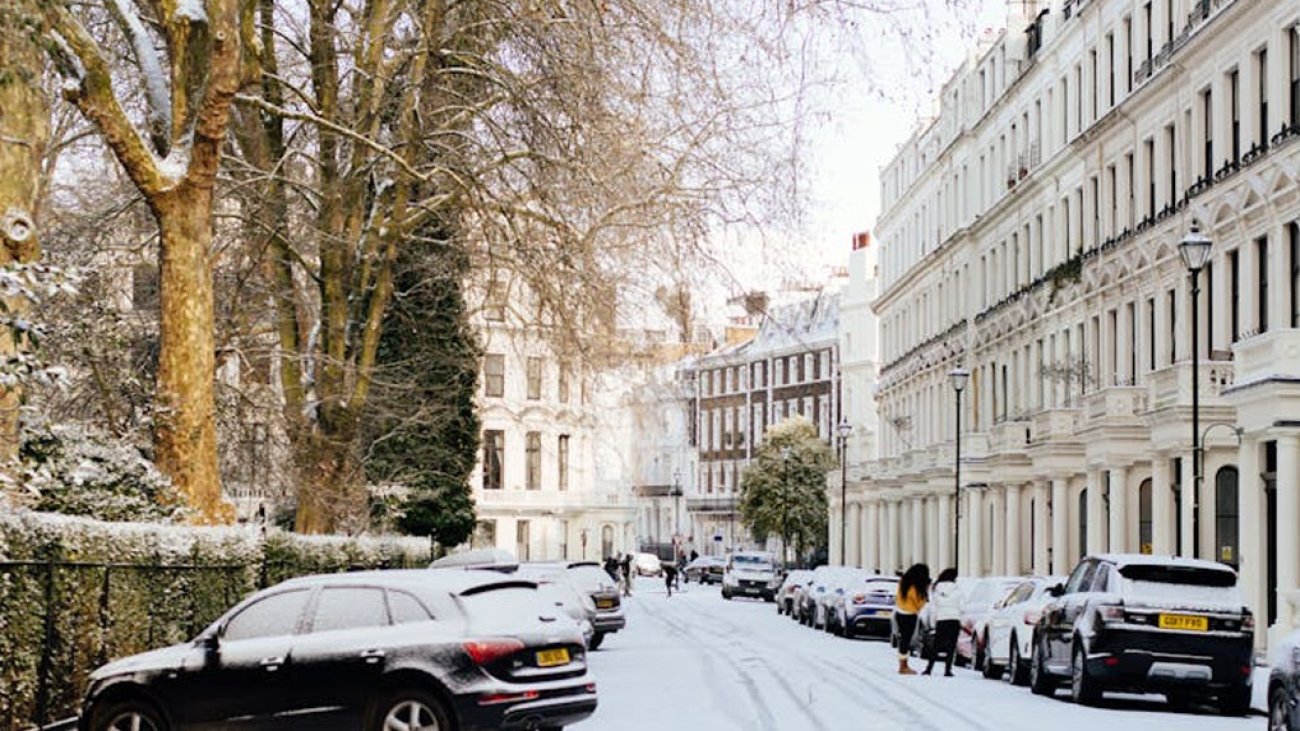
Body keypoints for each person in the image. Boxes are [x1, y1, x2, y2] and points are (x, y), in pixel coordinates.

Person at [893, 563, 931, 675]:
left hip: (899, 613)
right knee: (906, 640)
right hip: (910, 615)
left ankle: (903, 664)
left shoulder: (903, 582)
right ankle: (903, 666)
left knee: (903, 640)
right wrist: (925, 593)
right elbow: (919, 604)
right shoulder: (916, 587)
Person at [923, 568, 961, 677]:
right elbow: (962, 606)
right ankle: (947, 670)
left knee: (936, 645)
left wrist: (933, 622)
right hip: (954, 619)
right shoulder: (957, 589)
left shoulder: (936, 589)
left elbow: (933, 607)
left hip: (941, 620)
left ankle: (929, 668)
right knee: (951, 646)